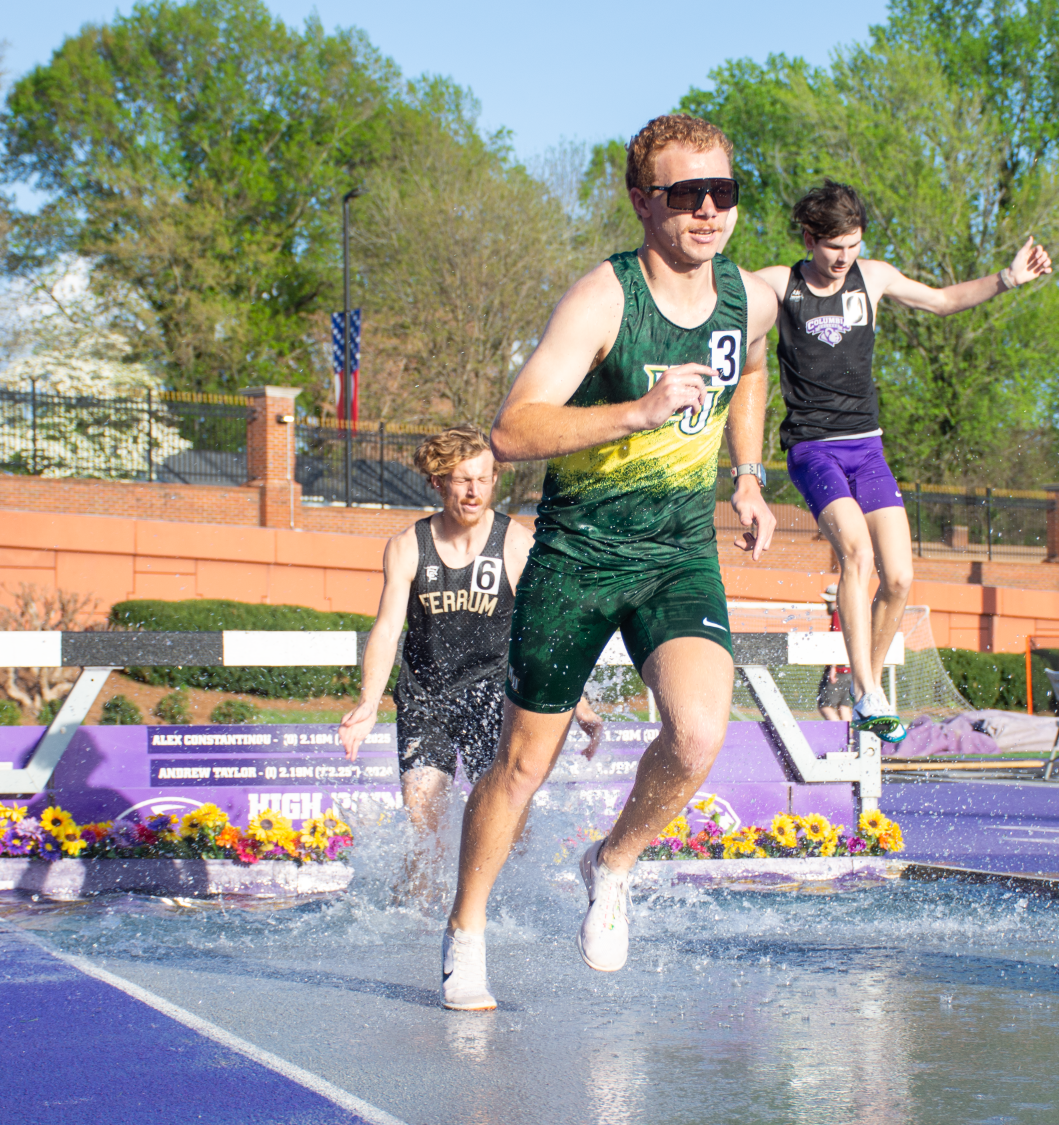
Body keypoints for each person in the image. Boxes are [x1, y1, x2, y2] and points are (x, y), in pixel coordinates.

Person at [439, 114, 781, 1011]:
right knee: (522, 763)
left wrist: (747, 474)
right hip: (580, 552)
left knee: (700, 734)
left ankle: (613, 859)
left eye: (724, 193)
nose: (709, 211)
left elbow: (749, 373)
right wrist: (636, 410)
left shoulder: (751, 296)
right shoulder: (604, 297)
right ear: (643, 202)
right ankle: (466, 929)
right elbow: (513, 429)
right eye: (685, 194)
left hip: (677, 552)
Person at [755, 181, 1051, 744]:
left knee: (901, 575)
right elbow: (725, 294)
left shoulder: (876, 277)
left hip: (867, 446)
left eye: (853, 245)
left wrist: (1008, 279)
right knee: (857, 555)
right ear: (810, 238)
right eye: (834, 247)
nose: (844, 258)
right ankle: (867, 692)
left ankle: (855, 684)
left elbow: (941, 301)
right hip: (812, 448)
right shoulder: (779, 283)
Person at [338, 426, 603, 901]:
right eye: (462, 480)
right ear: (438, 483)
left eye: (484, 478)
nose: (475, 491)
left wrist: (576, 702)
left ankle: (498, 915)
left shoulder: (515, 544)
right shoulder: (407, 546)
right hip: (426, 699)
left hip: (494, 699)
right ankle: (415, 929)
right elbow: (386, 628)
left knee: (508, 834)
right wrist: (368, 702)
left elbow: (545, 633)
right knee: (426, 834)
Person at [816, 583, 850, 721]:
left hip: (839, 669)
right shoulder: (850, 613)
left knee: (826, 706)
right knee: (844, 707)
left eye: (828, 601)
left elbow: (837, 640)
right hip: (850, 670)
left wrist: (833, 668)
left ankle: (840, 738)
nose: (827, 605)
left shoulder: (837, 613)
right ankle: (852, 740)